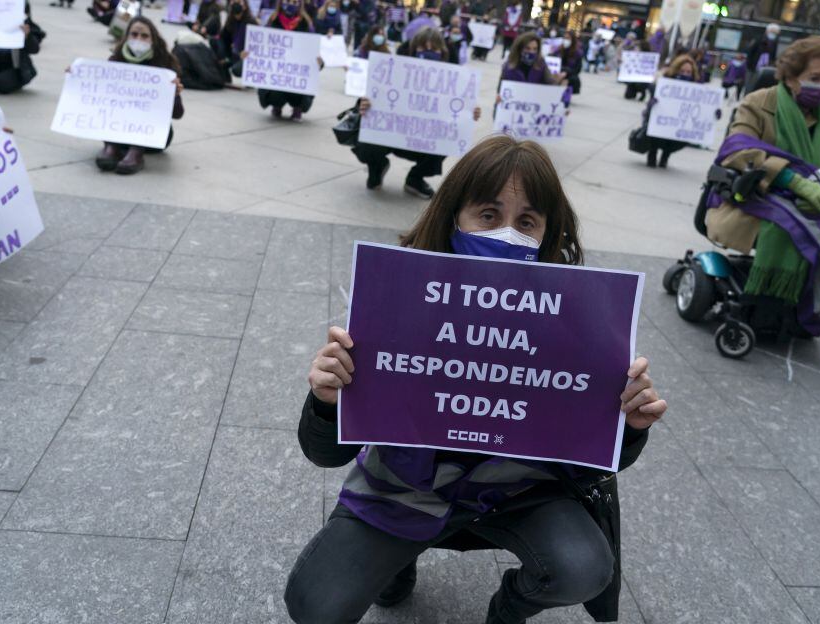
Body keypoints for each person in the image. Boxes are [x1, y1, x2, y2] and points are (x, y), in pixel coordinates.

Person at [284, 134, 668, 624]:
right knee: (315, 607)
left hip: (520, 495)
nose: (507, 234)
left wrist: (628, 426)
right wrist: (327, 401)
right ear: (453, 217)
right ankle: (395, 565)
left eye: (526, 222)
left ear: (547, 233)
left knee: (583, 568)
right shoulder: (393, 306)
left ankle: (509, 610)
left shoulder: (579, 328)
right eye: (488, 214)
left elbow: (590, 467)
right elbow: (324, 453)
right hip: (402, 491)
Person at [705, 36, 820, 334]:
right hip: (759, 198)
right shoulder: (759, 102)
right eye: (815, 78)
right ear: (791, 76)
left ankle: (814, 309)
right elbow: (736, 150)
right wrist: (791, 180)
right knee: (789, 227)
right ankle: (766, 303)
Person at [351, 27, 481, 199]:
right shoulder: (394, 71)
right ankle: (377, 167)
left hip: (424, 143)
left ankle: (416, 177)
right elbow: (376, 96)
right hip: (392, 137)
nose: (428, 52)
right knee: (366, 139)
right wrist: (364, 104)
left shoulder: (452, 81)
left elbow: (457, 115)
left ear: (443, 52)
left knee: (447, 141)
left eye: (434, 49)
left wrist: (469, 113)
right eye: (422, 47)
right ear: (412, 50)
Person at [94, 17, 184, 174]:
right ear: (126, 36)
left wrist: (174, 95)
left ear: (153, 39)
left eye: (144, 36)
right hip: (117, 129)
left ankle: (136, 153)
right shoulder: (115, 61)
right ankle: (111, 148)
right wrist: (77, 76)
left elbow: (177, 114)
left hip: (153, 137)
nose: (138, 39)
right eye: (134, 34)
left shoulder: (164, 65)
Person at [242, 0, 324, 121]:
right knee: (275, 91)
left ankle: (297, 107)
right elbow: (262, 46)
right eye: (287, 1)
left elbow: (313, 52)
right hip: (277, 77)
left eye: (294, 2)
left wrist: (319, 62)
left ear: (300, 4)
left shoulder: (306, 24)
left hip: (296, 76)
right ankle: (277, 105)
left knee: (298, 89)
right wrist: (250, 55)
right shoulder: (273, 20)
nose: (290, 4)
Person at [642, 54, 701, 168]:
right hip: (660, 119)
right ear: (676, 70)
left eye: (688, 72)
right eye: (682, 71)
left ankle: (665, 155)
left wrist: (712, 114)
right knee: (655, 129)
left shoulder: (696, 89)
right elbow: (652, 93)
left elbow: (701, 108)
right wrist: (652, 102)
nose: (685, 74)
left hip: (678, 122)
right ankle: (652, 153)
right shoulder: (664, 83)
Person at [216, 0, 257, 82]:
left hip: (245, 55)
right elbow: (223, 37)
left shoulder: (251, 22)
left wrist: (247, 52)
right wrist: (222, 55)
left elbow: (256, 44)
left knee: (236, 70)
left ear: (245, 6)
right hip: (233, 53)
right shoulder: (230, 20)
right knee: (215, 42)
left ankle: (249, 78)